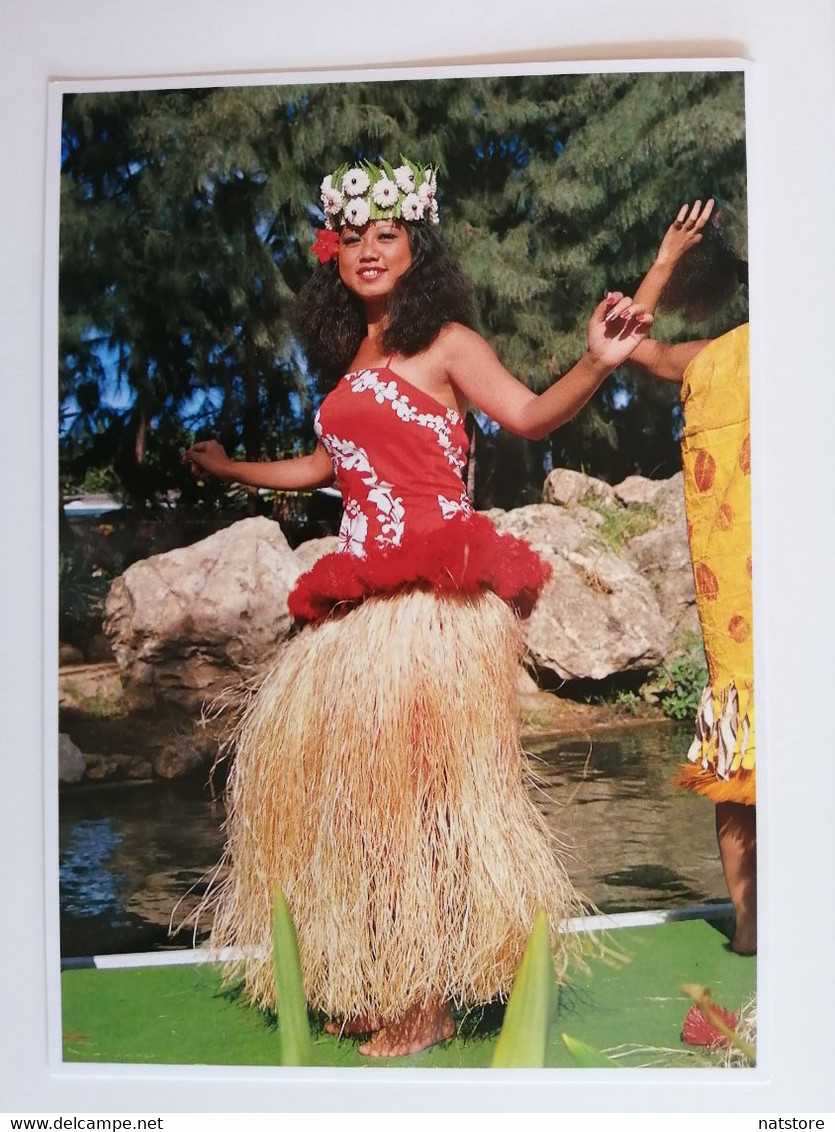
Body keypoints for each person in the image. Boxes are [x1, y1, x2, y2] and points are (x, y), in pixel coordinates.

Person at [185, 157, 653, 1057]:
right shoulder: (347, 357)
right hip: (359, 605)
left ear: (415, 247)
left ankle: (431, 997)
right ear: (334, 255)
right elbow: (328, 470)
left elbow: (526, 415)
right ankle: (387, 971)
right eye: (352, 238)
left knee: (426, 795)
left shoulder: (447, 343)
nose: (366, 251)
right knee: (358, 797)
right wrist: (234, 470)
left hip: (433, 601)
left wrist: (595, 363)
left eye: (385, 236)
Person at [629, 200, 756, 955]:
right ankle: (748, 921)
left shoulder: (742, 354)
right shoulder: (716, 356)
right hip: (737, 605)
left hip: (763, 601)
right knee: (741, 756)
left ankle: (755, 924)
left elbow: (634, 346)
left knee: (747, 749)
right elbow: (630, 348)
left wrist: (668, 261)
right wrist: (667, 258)